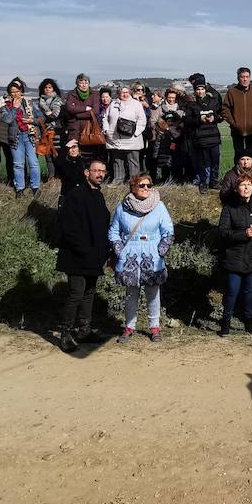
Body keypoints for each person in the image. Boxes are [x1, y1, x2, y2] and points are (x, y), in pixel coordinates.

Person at [108, 174, 174, 343]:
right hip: (130, 253)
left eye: (149, 185)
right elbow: (114, 231)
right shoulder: (122, 207)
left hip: (152, 254)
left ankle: (154, 327)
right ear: (133, 187)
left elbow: (168, 230)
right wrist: (119, 250)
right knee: (131, 294)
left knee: (153, 293)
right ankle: (129, 327)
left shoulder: (158, 206)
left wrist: (161, 249)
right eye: (142, 185)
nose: (146, 188)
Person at [56, 158, 112, 352]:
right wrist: (85, 250)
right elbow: (69, 228)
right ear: (87, 172)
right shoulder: (76, 194)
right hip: (77, 256)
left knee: (89, 293)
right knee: (76, 294)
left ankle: (84, 330)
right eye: (96, 170)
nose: (100, 174)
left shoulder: (99, 195)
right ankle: (66, 333)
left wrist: (104, 251)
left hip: (94, 256)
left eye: (103, 171)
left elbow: (102, 225)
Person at [217, 175, 252, 335]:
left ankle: (248, 320)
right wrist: (244, 233)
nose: (246, 188)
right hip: (234, 256)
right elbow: (223, 232)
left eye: (249, 185)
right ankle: (226, 321)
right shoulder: (229, 208)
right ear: (236, 188)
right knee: (232, 290)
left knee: (249, 291)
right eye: (242, 185)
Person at [0, 82, 45, 197]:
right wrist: (14, 108)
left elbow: (41, 118)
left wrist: (32, 121)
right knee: (18, 164)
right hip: (16, 137)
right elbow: (7, 120)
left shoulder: (29, 103)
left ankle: (35, 187)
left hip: (30, 135)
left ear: (21, 92)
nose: (15, 94)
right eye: (12, 92)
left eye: (17, 91)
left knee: (33, 163)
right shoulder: (6, 106)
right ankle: (19, 188)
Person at [103, 86, 146, 186]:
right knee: (117, 161)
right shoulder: (113, 104)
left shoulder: (136, 104)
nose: (125, 94)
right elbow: (105, 118)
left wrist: (136, 133)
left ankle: (134, 181)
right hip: (115, 138)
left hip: (132, 139)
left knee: (133, 161)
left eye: (126, 92)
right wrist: (106, 130)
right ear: (118, 93)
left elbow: (142, 120)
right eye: (122, 92)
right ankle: (118, 180)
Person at [185, 78, 223, 191]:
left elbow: (221, 116)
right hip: (200, 139)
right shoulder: (191, 104)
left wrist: (214, 118)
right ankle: (203, 182)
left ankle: (214, 181)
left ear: (205, 90)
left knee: (215, 160)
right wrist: (199, 119)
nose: (200, 91)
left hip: (213, 137)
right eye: (198, 89)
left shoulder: (213, 101)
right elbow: (187, 120)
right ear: (195, 90)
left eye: (202, 89)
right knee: (202, 162)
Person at [222, 67, 252, 162]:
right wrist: (234, 123)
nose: (245, 79)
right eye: (242, 77)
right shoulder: (231, 92)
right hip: (236, 130)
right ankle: (237, 175)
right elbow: (225, 109)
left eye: (247, 77)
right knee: (238, 155)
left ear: (250, 78)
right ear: (238, 78)